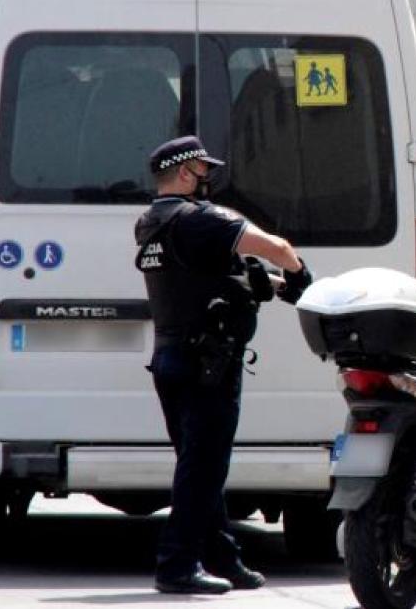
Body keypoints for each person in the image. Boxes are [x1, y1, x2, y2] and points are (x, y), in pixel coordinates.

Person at [134, 136, 313, 595]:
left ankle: (223, 559)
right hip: (206, 364)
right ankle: (176, 565)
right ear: (184, 171)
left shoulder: (150, 222)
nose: (208, 179)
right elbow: (276, 246)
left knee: (199, 465)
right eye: (202, 170)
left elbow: (200, 277)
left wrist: (261, 283)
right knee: (204, 469)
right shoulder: (201, 218)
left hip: (171, 358)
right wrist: (297, 275)